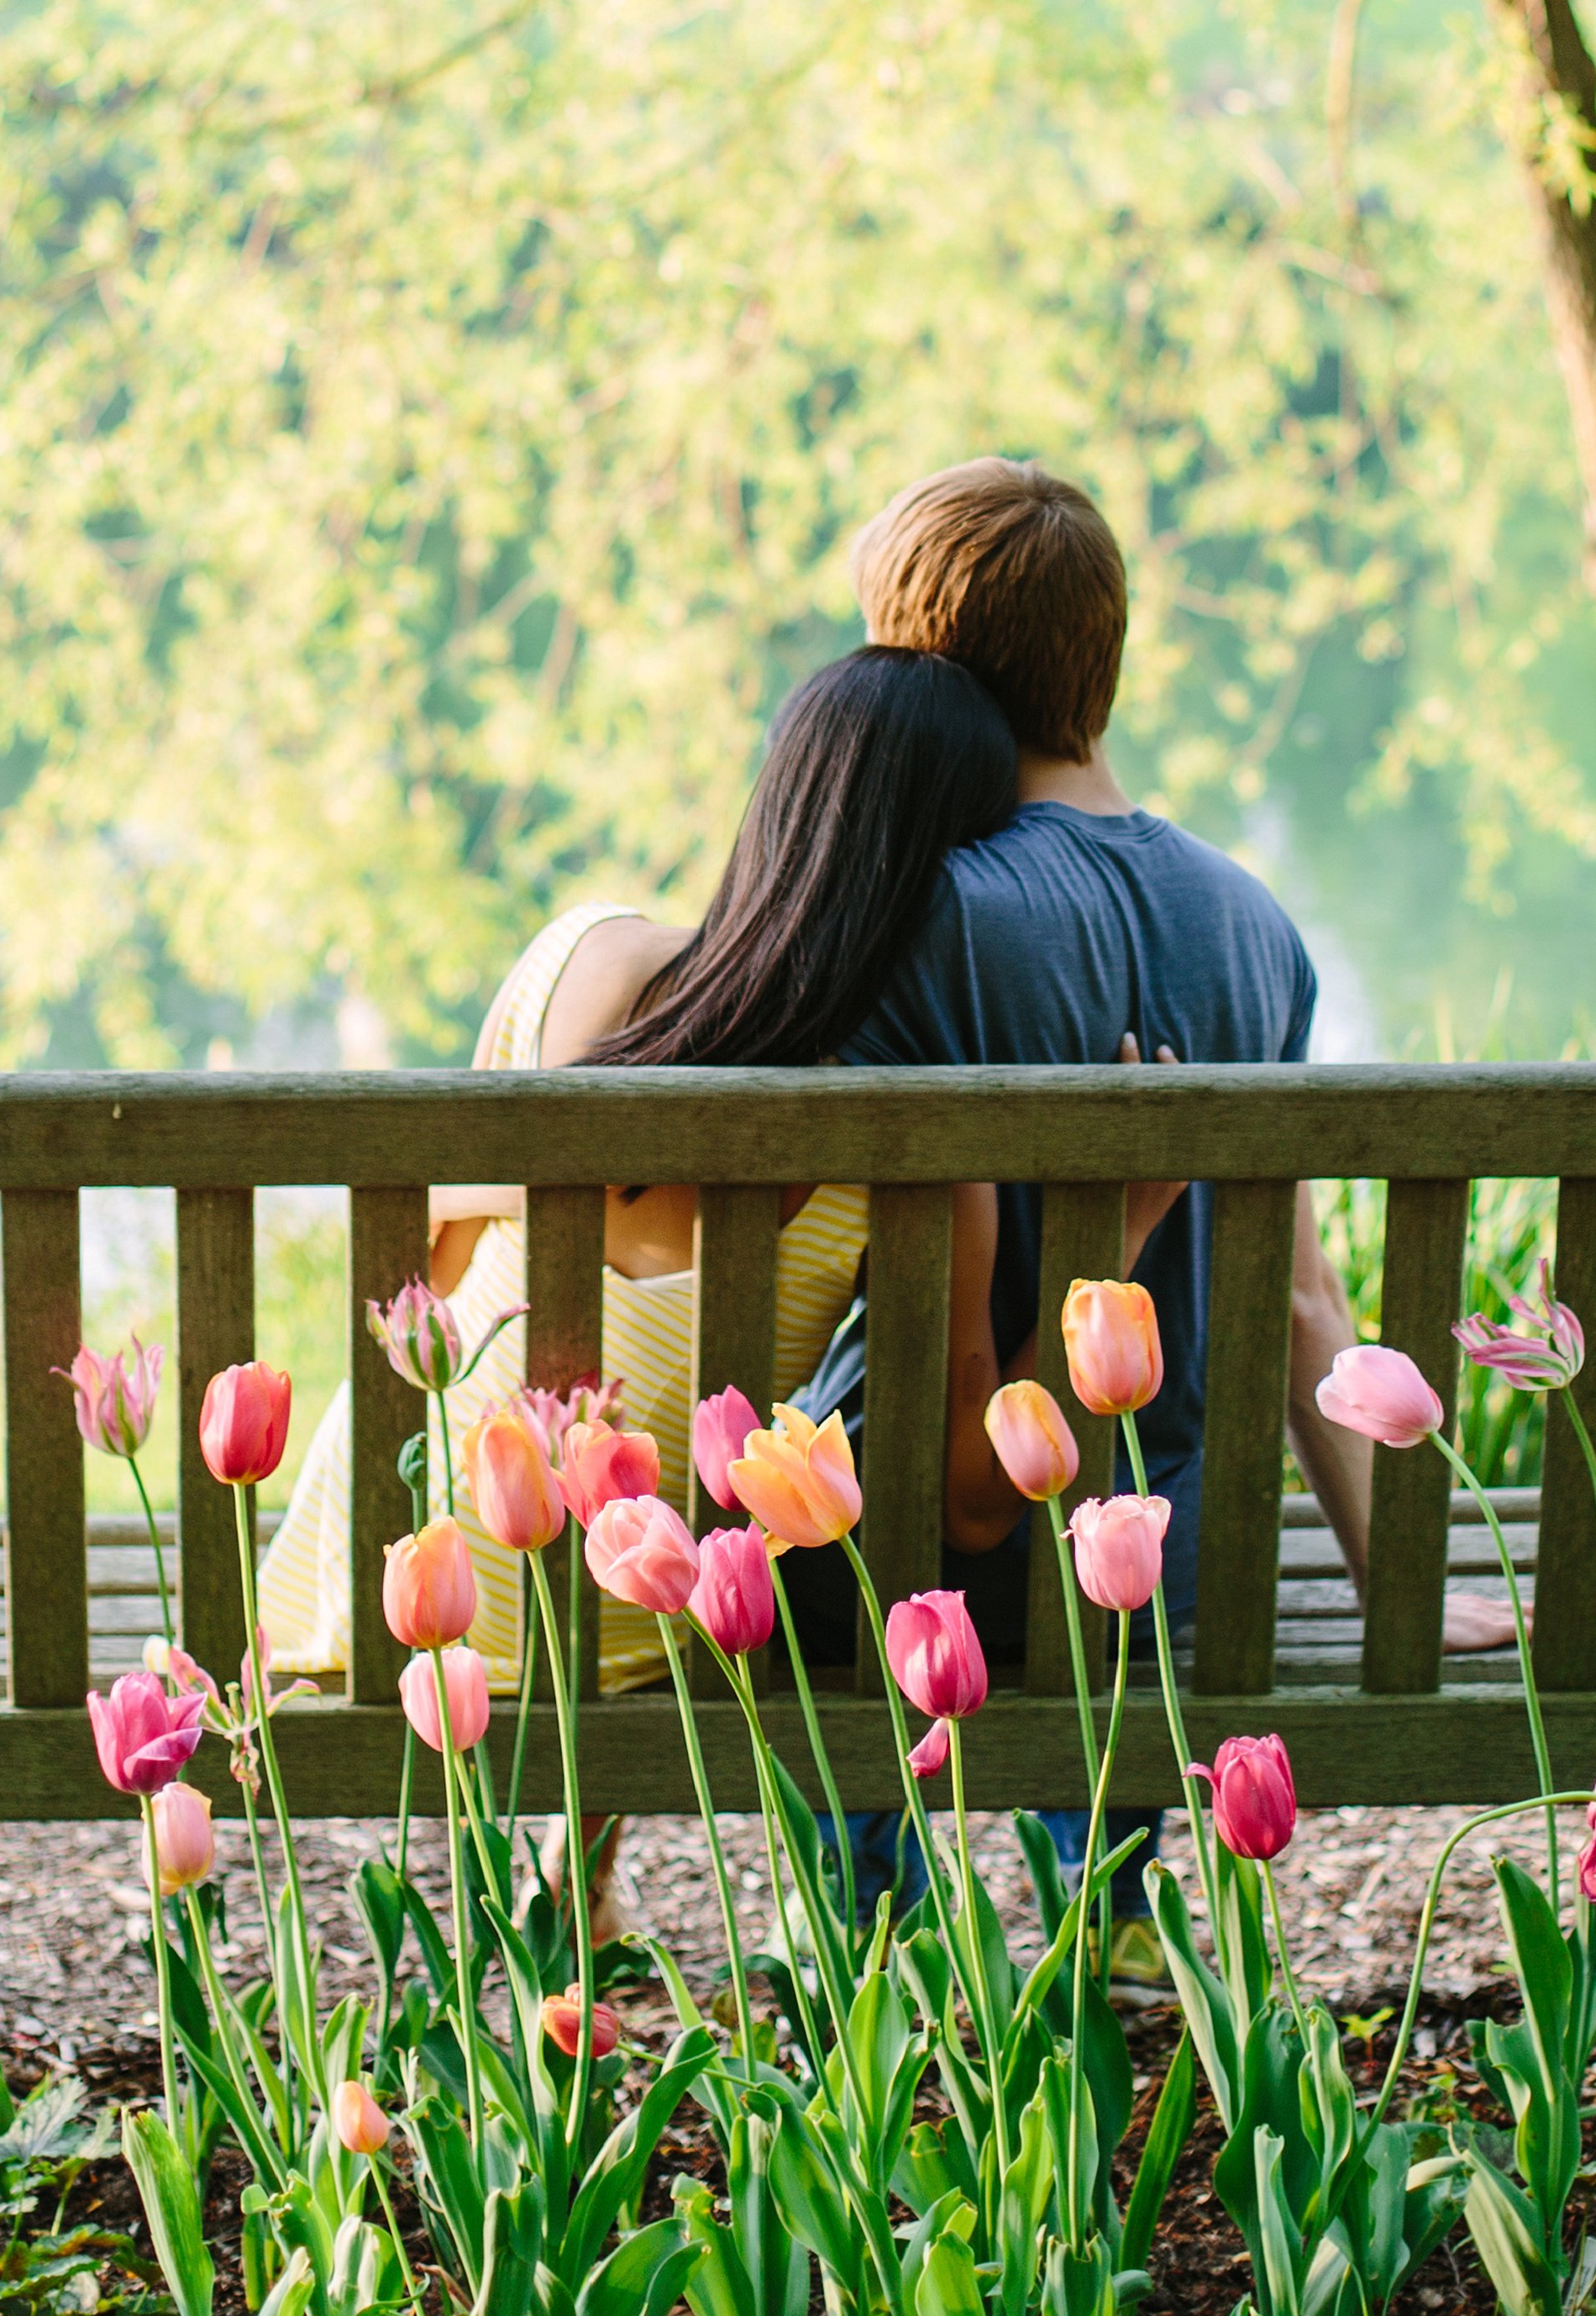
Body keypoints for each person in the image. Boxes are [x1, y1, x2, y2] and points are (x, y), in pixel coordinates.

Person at [837, 458, 1509, 1962]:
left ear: (921, 669)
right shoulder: (1258, 926)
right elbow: (1302, 1300)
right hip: (1169, 1566)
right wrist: (1397, 1573)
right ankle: (1115, 1904)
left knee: (826, 1471)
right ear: (1107, 654)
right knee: (1133, 1493)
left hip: (948, 1566)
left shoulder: (918, 918)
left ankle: (870, 1916)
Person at [256, 645, 1024, 1709]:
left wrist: (538, 1195)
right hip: (639, 1632)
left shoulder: (586, 960)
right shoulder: (921, 1151)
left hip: (385, 1584)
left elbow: (412, 1273)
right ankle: (586, 1866)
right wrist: (1123, 1232)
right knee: (654, 1525)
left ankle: (574, 1875)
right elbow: (978, 1508)